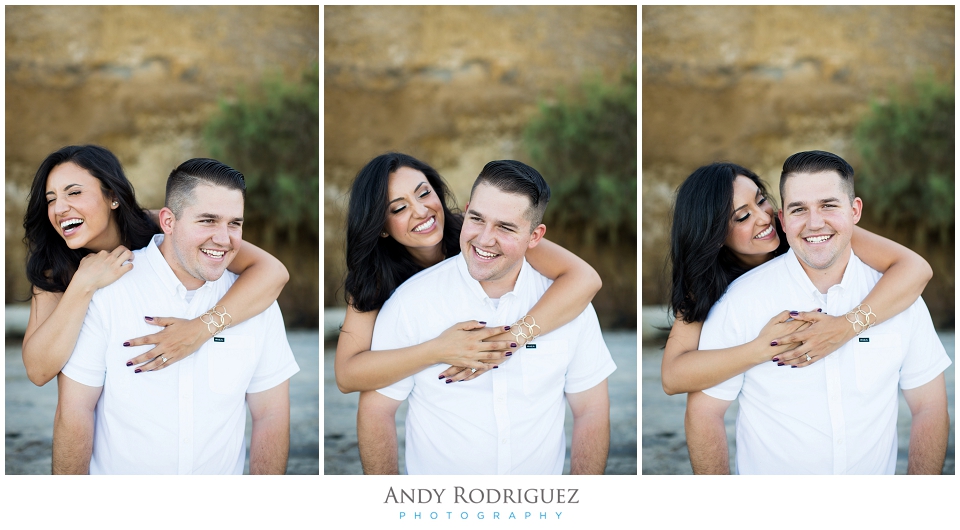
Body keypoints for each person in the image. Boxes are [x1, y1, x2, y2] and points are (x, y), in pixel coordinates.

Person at [685, 150, 950, 474]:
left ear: (855, 210)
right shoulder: (738, 303)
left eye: (828, 205)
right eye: (799, 209)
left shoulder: (898, 295)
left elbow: (930, 406)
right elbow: (703, 411)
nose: (814, 223)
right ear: (784, 220)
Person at [357, 160, 616, 475]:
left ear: (535, 236)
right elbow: (374, 408)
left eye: (505, 227)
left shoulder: (568, 304)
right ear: (466, 212)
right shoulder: (407, 303)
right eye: (477, 219)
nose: (484, 239)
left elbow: (591, 409)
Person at [52, 158, 300, 474]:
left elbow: (271, 415)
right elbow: (75, 410)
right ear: (168, 222)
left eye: (234, 223)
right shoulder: (108, 292)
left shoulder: (257, 301)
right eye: (208, 220)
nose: (224, 239)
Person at [22, 145, 289, 386]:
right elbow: (38, 371)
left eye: (75, 193)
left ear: (113, 196)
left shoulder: (159, 227)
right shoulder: (52, 266)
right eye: (51, 199)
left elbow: (273, 272)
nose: (59, 209)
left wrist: (200, 329)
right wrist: (83, 283)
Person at [335, 153, 601, 392]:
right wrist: (436, 351)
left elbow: (585, 278)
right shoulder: (373, 277)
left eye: (424, 193)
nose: (421, 210)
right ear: (379, 226)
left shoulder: (483, 233)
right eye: (399, 208)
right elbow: (347, 375)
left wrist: (510, 341)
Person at [660, 162, 932, 395]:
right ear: (714, 235)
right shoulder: (707, 283)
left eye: (761, 199)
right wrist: (760, 349)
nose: (763, 217)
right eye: (742, 216)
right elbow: (672, 376)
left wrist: (845, 328)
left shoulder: (808, 233)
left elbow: (916, 268)